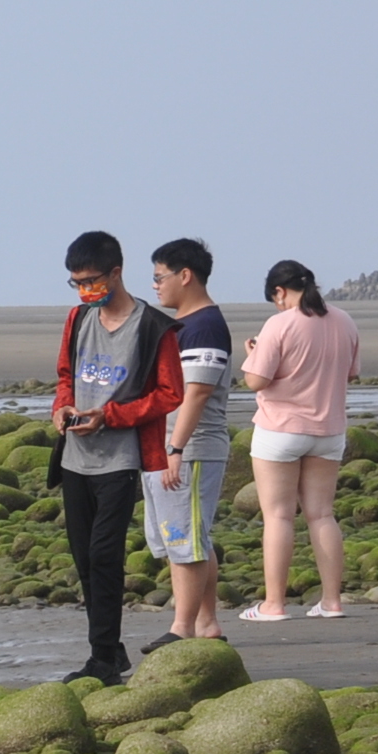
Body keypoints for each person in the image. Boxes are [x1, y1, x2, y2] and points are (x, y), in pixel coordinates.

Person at [47, 231, 181, 685]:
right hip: (74, 459)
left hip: (120, 460)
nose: (85, 290)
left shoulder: (153, 327)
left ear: (116, 272)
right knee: (84, 558)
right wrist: (62, 407)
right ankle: (108, 651)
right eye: (76, 282)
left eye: (90, 280)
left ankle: (102, 659)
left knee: (105, 556)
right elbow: (66, 374)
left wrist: (111, 416)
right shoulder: (78, 318)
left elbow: (170, 393)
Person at [240, 258, 364, 620]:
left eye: (274, 298)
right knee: (322, 514)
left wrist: (253, 354)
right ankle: (331, 601)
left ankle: (274, 604)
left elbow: (255, 381)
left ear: (280, 292)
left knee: (278, 517)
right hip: (328, 430)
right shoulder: (345, 320)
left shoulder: (279, 324)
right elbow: (350, 374)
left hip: (280, 428)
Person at [143, 238, 233, 647]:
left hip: (192, 448)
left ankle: (181, 627)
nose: (156, 285)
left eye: (160, 277)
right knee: (192, 537)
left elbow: (196, 392)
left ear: (185, 275)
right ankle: (207, 623)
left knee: (186, 541)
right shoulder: (186, 325)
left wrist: (174, 449)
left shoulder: (205, 325)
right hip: (174, 446)